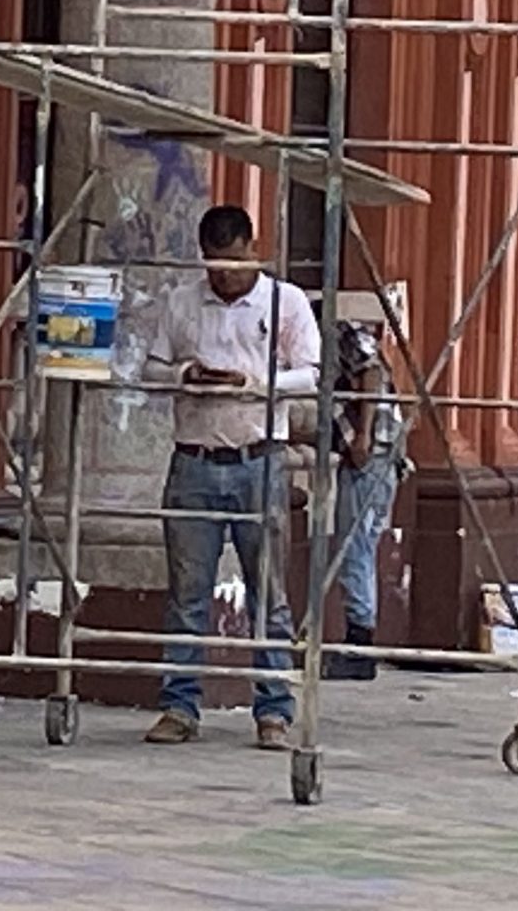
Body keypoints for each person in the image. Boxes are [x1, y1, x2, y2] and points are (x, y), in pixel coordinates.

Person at [140, 202, 321, 749]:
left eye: (235, 264)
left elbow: (310, 375)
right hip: (194, 457)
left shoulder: (284, 302)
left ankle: (274, 709)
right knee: (187, 592)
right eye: (216, 266)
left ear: (252, 251)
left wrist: (253, 382)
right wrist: (186, 374)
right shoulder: (181, 303)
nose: (226, 277)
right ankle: (179, 704)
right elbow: (151, 368)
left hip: (258, 459)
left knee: (269, 593)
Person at [323, 314, 404, 681]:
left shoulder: (338, 334)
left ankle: (360, 641)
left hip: (372, 455)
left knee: (354, 547)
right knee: (359, 547)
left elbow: (370, 371)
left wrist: (363, 435)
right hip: (374, 455)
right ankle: (359, 638)